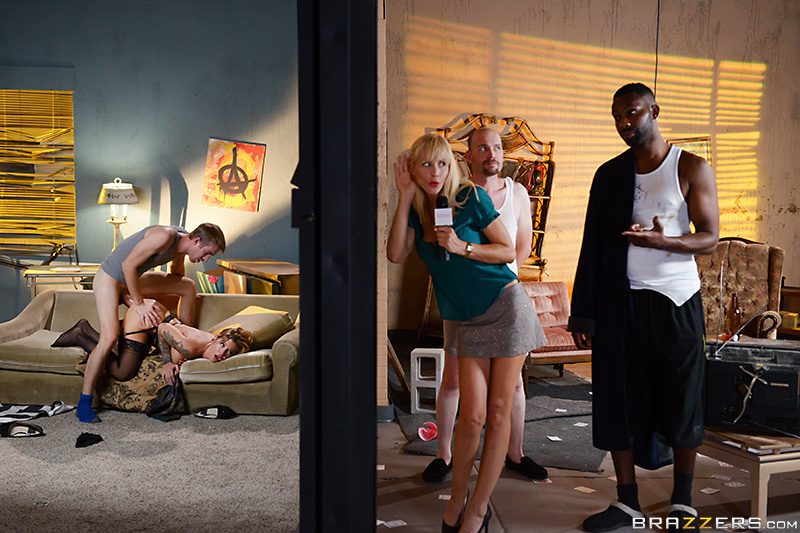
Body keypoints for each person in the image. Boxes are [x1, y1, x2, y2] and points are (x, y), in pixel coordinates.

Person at [568, 83, 719, 532]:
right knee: (618, 400)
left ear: (654, 110)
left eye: (632, 113)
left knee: (683, 399)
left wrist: (662, 241)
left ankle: (683, 502)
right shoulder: (609, 174)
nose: (624, 123)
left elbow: (709, 237)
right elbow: (592, 245)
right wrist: (584, 312)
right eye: (617, 116)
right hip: (620, 303)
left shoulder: (690, 166)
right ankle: (627, 502)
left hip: (677, 301)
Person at [388, 133, 545, 533]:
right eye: (425, 164)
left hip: (506, 307)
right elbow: (395, 253)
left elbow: (507, 250)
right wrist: (404, 196)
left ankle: (477, 509)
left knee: (498, 410)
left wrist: (462, 247)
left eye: (442, 163)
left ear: (452, 166)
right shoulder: (416, 210)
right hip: (469, 320)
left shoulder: (469, 197)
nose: (435, 173)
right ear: (412, 169)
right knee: (471, 418)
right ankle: (457, 499)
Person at [422, 126, 548, 485]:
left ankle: (515, 454)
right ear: (469, 156)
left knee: (514, 386)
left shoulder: (518, 193)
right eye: (483, 148)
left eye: (497, 147)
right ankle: (444, 455)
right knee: (453, 378)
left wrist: (498, 279)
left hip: (503, 300)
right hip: (462, 302)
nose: (492, 154)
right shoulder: (457, 193)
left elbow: (519, 247)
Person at [77, 223, 226, 423]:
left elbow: (176, 275)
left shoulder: (183, 239)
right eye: (207, 253)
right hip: (110, 279)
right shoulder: (164, 236)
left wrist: (180, 294)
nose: (206, 259)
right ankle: (84, 402)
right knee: (109, 337)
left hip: (132, 280)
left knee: (188, 286)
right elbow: (127, 265)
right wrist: (138, 304)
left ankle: (181, 341)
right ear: (197, 241)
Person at [53, 300, 252, 385]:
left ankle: (86, 329)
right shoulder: (191, 347)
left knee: (121, 353)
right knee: (123, 371)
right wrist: (167, 362)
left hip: (157, 318)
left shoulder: (209, 340)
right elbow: (164, 329)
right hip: (145, 319)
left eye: (229, 353)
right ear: (217, 339)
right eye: (223, 346)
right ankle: (80, 336)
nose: (222, 354)